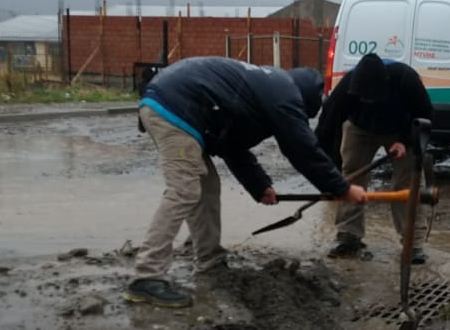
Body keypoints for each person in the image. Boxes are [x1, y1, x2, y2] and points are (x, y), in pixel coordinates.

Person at [129, 56, 366, 308]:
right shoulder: (283, 93)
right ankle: (147, 276)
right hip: (174, 107)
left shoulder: (264, 90)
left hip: (176, 105)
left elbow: (232, 146)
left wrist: (259, 186)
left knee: (206, 187)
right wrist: (342, 188)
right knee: (184, 190)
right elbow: (301, 149)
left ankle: (210, 260)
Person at [315, 51, 434, 263]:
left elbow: (426, 115)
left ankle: (412, 244)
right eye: (363, 98)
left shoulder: (405, 79)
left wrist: (406, 141)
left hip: (400, 129)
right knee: (350, 176)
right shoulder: (347, 87)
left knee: (406, 185)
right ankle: (349, 236)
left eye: (372, 98)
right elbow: (326, 129)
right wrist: (327, 175)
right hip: (359, 127)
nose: (367, 101)